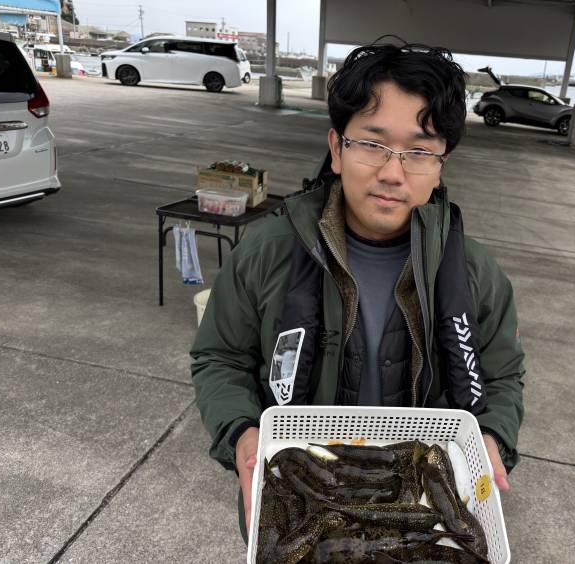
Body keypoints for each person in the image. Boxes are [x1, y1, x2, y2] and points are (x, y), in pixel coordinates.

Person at [190, 41, 526, 540]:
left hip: (419, 512)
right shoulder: (266, 252)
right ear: (336, 148)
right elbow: (220, 357)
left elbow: (501, 377)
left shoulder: (478, 274)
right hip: (296, 501)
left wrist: (492, 436)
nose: (392, 173)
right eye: (372, 144)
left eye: (419, 151)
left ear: (441, 165)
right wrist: (241, 430)